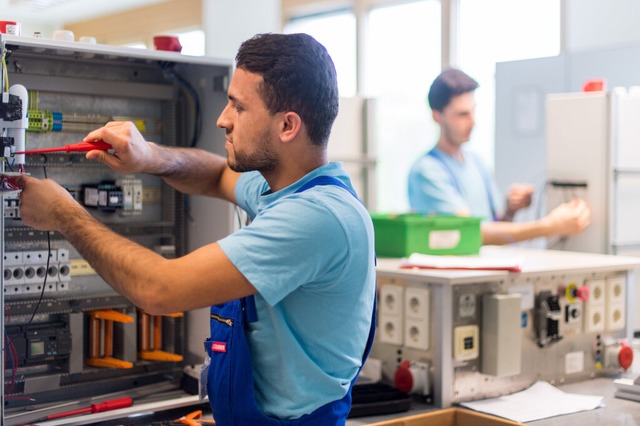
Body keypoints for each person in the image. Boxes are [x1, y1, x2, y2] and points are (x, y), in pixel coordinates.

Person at [15, 33, 376, 425]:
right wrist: (148, 156)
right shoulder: (289, 189)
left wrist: (65, 215)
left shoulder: (316, 218)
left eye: (238, 106)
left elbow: (160, 289)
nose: (223, 119)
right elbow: (216, 174)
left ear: (287, 125)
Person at [408, 68, 591, 245]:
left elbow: (495, 225)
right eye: (462, 114)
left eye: (473, 111)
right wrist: (550, 226)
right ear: (437, 116)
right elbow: (472, 234)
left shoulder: (476, 162)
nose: (473, 122)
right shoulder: (427, 172)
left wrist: (511, 209)